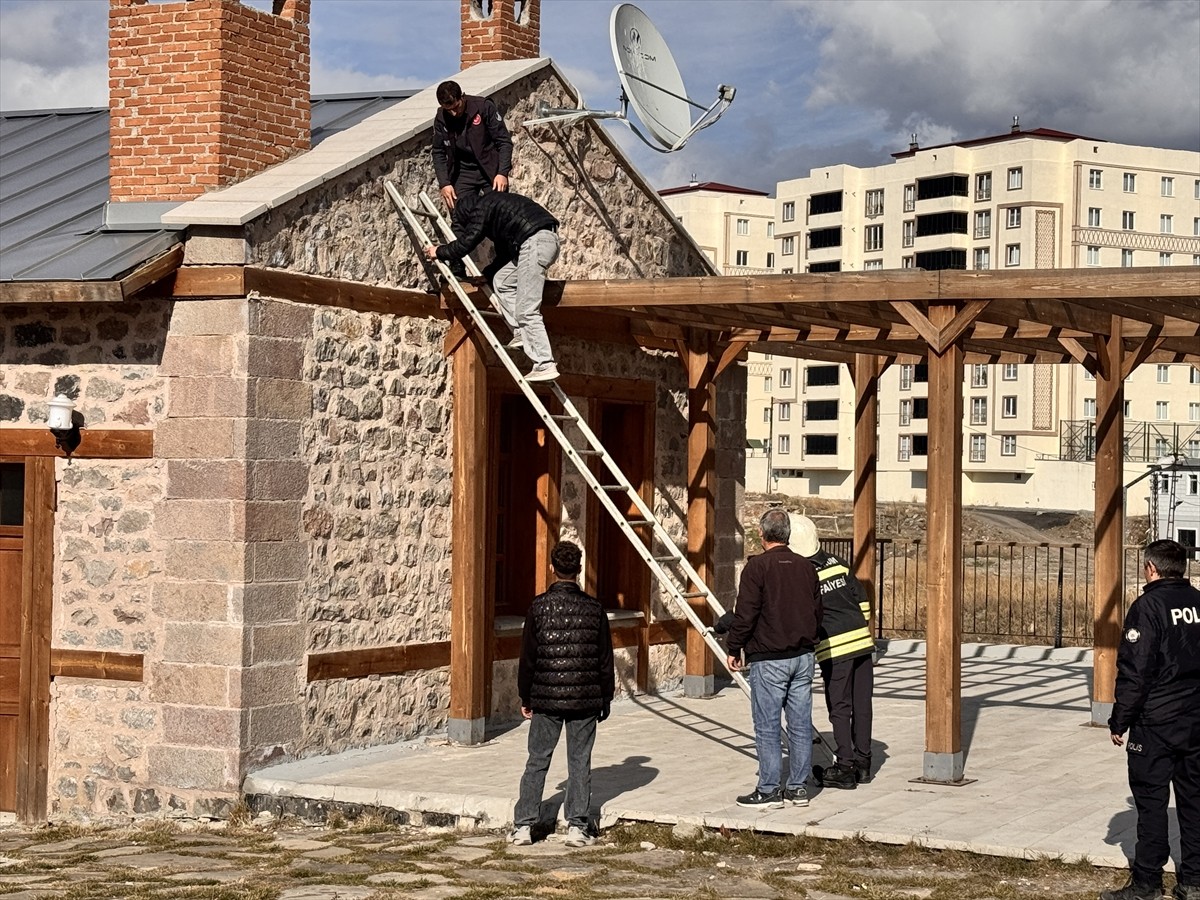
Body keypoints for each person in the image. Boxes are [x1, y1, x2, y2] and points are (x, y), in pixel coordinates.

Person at [1103, 539, 1200, 900]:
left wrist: (1120, 720)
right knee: (1194, 801)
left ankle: (1147, 883)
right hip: (1195, 722)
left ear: (1150, 568)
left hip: (1156, 724)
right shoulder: (1198, 603)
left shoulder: (1147, 607)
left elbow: (1136, 670)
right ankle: (1194, 881)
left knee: (1152, 802)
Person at [511, 540, 614, 847]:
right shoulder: (595, 609)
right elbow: (604, 659)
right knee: (579, 762)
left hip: (545, 697)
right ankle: (577, 827)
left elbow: (528, 658)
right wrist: (605, 696)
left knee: (537, 760)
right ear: (579, 569)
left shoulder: (538, 607)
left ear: (552, 568)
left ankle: (523, 826)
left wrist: (525, 696)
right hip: (585, 697)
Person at [725, 507, 822, 809]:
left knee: (767, 726)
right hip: (803, 656)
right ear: (788, 534)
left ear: (761, 533)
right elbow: (817, 611)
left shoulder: (757, 567)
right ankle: (798, 788)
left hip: (769, 657)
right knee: (800, 724)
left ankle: (768, 789)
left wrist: (734, 647)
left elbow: (746, 613)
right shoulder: (806, 567)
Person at [424, 189, 561, 382]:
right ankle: (520, 331)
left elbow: (467, 242)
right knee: (502, 281)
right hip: (539, 241)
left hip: (535, 242)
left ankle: (545, 363)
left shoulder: (482, 207)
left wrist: (439, 251)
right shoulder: (497, 212)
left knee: (527, 309)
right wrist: (487, 276)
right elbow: (504, 255)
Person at [789, 514, 876, 790]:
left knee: (839, 706)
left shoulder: (803, 575)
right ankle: (864, 764)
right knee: (862, 704)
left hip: (834, 648)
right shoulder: (837, 563)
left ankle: (845, 767)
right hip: (862, 642)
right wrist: (859, 628)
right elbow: (862, 601)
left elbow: (803, 615)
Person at [431, 80, 512, 276]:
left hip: (490, 170)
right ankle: (457, 265)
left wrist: (502, 172)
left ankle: (504, 264)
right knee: (459, 215)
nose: (453, 113)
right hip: (462, 172)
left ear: (462, 97)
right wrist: (445, 183)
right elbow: (438, 152)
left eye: (456, 107)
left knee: (499, 215)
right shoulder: (441, 117)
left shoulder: (483, 107)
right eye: (448, 109)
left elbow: (504, 142)